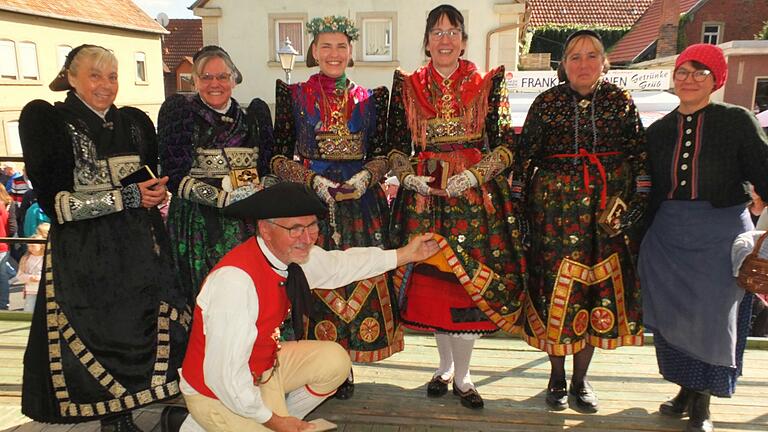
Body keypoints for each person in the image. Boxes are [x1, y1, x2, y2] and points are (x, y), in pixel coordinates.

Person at [18, 44, 190, 432]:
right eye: (95, 75)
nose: (105, 85)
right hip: (85, 252)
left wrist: (154, 192)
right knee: (100, 333)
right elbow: (58, 206)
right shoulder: (48, 121)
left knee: (140, 328)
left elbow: (143, 181)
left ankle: (134, 413)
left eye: (112, 76)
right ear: (71, 78)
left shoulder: (132, 122)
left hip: (137, 247)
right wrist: (127, 197)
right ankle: (113, 420)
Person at [174, 182, 439, 432]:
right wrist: (273, 421)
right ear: (265, 230)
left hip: (263, 369)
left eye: (312, 226)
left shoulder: (290, 258)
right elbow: (226, 376)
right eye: (295, 229)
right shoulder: (235, 282)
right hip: (216, 391)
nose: (308, 238)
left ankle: (280, 418)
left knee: (335, 362)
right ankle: (208, 421)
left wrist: (405, 254)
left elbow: (340, 266)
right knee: (257, 415)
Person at [386, 4, 527, 410]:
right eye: (437, 31)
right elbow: (397, 145)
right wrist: (403, 172)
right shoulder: (407, 84)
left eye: (453, 31)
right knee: (434, 286)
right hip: (424, 197)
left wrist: (476, 174)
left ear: (464, 41)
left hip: (472, 202)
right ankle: (444, 367)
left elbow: (504, 146)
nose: (445, 39)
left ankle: (464, 376)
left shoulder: (488, 83)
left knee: (467, 284)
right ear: (426, 41)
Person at [515, 30, 647, 413]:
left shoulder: (620, 102)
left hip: (607, 218)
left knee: (593, 294)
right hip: (553, 218)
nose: (583, 63)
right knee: (557, 292)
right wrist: (522, 214)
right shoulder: (546, 103)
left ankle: (581, 379)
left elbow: (639, 155)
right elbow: (524, 161)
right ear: (564, 64)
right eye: (575, 56)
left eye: (592, 56)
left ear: (604, 62)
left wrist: (634, 206)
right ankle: (556, 378)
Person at [639, 43, 768, 432]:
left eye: (700, 73)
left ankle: (702, 404)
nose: (689, 79)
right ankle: (684, 391)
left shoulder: (737, 121)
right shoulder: (658, 131)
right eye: (682, 71)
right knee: (674, 318)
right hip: (668, 235)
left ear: (716, 80)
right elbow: (649, 188)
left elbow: (764, 171)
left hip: (721, 232)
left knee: (713, 317)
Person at [271, 16, 395, 398]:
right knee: (317, 282)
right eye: (325, 46)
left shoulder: (372, 98)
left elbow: (382, 155)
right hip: (311, 205)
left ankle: (349, 361)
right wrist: (310, 180)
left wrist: (364, 178)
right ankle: (325, 364)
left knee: (356, 274)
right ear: (313, 51)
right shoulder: (292, 95)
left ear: (351, 52)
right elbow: (276, 158)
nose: (334, 53)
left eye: (341, 46)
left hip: (360, 203)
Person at [159, 45, 274, 302]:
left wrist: (260, 195)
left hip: (249, 221)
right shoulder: (182, 114)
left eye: (222, 77)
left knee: (253, 294)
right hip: (199, 223)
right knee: (210, 297)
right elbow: (174, 175)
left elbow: (268, 168)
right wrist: (225, 200)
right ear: (196, 81)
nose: (215, 84)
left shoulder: (253, 116)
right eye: (206, 77)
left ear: (233, 79)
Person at [15, 222, 48, 312]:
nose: (30, 248)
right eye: (28, 246)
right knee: (29, 312)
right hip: (31, 291)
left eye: (33, 246)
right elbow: (19, 275)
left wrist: (40, 278)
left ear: (41, 245)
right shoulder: (25, 258)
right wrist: (29, 278)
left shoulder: (47, 258)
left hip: (46, 291)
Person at [0, 185, 12, 310]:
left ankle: (3, 302)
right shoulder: (5, 206)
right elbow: (10, 226)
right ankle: (3, 303)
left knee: (2, 275)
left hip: (2, 244)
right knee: (2, 275)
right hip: (3, 244)